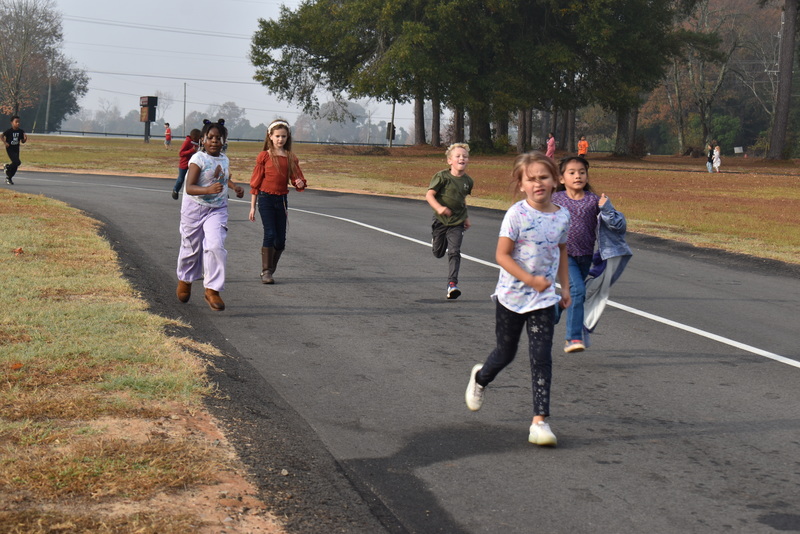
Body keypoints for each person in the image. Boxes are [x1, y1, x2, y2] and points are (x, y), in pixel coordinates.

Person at [464, 151, 571, 447]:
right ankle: (481, 378)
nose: (538, 184)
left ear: (555, 181)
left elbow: (562, 251)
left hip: (543, 299)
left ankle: (540, 422)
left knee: (541, 357)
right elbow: (501, 255)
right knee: (506, 352)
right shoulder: (516, 214)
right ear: (521, 184)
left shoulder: (562, 215)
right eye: (531, 179)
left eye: (544, 178)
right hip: (511, 296)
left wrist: (565, 287)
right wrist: (530, 280)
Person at [175, 119, 244, 312]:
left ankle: (212, 289)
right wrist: (208, 190)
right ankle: (186, 280)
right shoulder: (198, 159)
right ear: (203, 140)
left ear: (224, 141)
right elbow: (189, 187)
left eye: (218, 138)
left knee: (215, 245)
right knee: (191, 248)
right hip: (194, 208)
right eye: (210, 137)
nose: (214, 141)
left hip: (217, 209)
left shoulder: (224, 159)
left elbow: (223, 177)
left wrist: (234, 187)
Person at [552, 155, 609, 353]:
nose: (578, 176)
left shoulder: (594, 201)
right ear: (561, 179)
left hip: (585, 255)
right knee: (578, 291)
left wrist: (607, 208)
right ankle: (573, 338)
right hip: (563, 254)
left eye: (582, 172)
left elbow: (612, 222)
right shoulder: (555, 199)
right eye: (572, 173)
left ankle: (554, 310)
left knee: (575, 293)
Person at [248, 119, 306, 284]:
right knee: (270, 233)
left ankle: (270, 269)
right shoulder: (264, 156)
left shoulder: (290, 158)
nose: (281, 139)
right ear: (270, 136)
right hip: (265, 199)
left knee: (280, 241)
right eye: (278, 136)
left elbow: (297, 178)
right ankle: (266, 271)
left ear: (288, 138)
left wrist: (299, 182)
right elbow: (256, 183)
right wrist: (252, 207)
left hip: (281, 200)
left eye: (284, 136)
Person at [426, 142, 474, 299]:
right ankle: (436, 239)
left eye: (465, 156)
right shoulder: (442, 177)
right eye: (458, 156)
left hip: (457, 222)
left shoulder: (468, 181)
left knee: (454, 251)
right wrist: (439, 208)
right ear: (449, 161)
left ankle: (452, 284)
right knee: (438, 253)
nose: (462, 158)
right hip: (440, 220)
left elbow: (461, 200)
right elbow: (429, 195)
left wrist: (465, 217)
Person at [172, 129, 202, 199]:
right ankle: (175, 190)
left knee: (192, 179)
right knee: (181, 179)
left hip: (192, 165)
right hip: (184, 165)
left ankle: (191, 194)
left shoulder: (197, 144)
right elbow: (181, 153)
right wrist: (191, 151)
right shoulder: (187, 142)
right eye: (198, 138)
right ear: (195, 137)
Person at [3, 115, 27, 185]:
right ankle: (7, 167)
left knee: (16, 165)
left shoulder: (20, 131)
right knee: (17, 162)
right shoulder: (9, 131)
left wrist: (25, 139)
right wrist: (5, 143)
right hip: (10, 148)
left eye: (19, 122)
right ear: (12, 123)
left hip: (16, 148)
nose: (18, 123)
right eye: (16, 122)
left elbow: (22, 141)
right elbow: (1, 136)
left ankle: (9, 178)